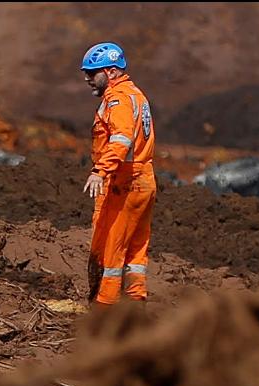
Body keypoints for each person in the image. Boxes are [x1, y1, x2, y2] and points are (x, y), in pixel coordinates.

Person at [80, 42, 156, 306]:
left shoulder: (119, 99)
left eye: (93, 73)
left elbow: (121, 139)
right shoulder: (136, 95)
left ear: (111, 72)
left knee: (111, 251)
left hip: (126, 182)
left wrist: (100, 171)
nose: (87, 79)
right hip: (143, 179)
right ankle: (135, 307)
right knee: (135, 251)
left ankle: (105, 311)